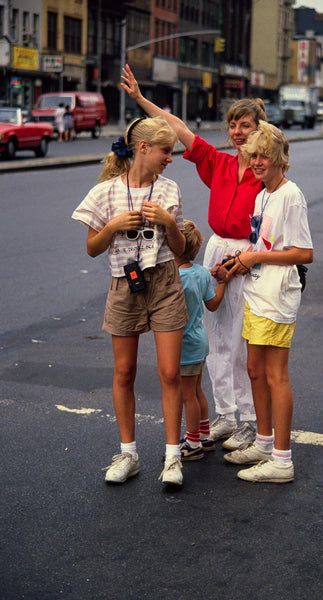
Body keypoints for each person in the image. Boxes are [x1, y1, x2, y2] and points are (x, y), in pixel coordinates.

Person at [121, 63, 267, 451]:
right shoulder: (219, 162)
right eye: (233, 125)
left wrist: (249, 257)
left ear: (260, 129)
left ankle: (250, 420)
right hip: (219, 247)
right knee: (214, 336)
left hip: (249, 252)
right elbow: (178, 128)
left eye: (246, 125)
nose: (238, 132)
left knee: (241, 339)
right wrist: (141, 100)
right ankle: (225, 414)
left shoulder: (263, 170)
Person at [71, 116, 189, 487]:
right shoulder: (104, 192)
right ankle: (128, 454)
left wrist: (168, 222)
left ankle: (173, 457)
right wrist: (112, 226)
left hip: (165, 281)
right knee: (124, 372)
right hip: (125, 283)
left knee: (170, 373)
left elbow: (181, 249)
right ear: (143, 148)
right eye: (165, 151)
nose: (170, 158)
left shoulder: (169, 189)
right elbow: (92, 249)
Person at [220, 121, 313, 483]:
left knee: (276, 376)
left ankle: (282, 460)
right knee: (255, 370)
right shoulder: (262, 195)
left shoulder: (291, 195)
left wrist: (255, 258)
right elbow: (262, 244)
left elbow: (304, 252)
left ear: (280, 160)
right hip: (256, 292)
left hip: (276, 297)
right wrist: (236, 263)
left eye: (264, 156)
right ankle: (263, 442)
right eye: (253, 155)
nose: (257, 162)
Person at [175, 220, 227, 461]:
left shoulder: (175, 278)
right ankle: (205, 436)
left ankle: (193, 441)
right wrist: (223, 282)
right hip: (199, 339)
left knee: (187, 395)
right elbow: (212, 304)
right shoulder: (200, 273)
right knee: (197, 390)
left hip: (184, 343)